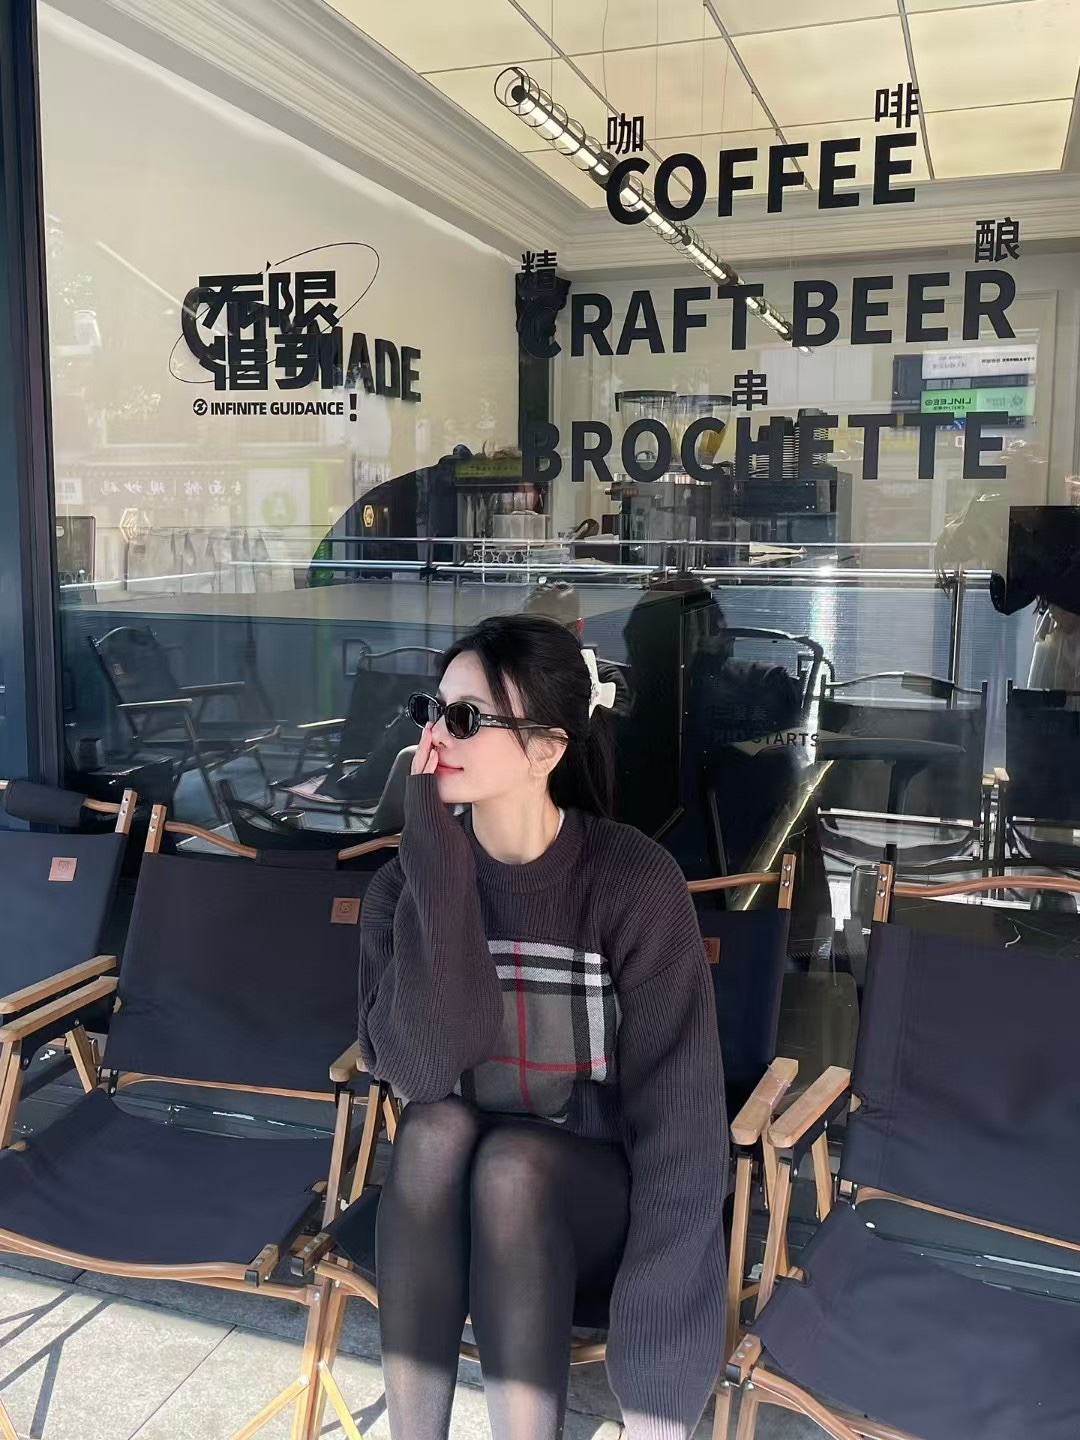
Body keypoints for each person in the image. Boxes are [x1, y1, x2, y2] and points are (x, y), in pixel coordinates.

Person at [347, 613, 727, 1440]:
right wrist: (437, 868)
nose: (435, 738)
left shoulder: (631, 881)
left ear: (548, 749)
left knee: (513, 1167)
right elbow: (422, 1070)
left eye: (465, 718)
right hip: (451, 1197)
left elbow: (683, 1126)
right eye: (430, 711)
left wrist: (659, 1380)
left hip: (594, 1200)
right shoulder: (402, 887)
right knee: (433, 1128)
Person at [523, 581, 631, 714]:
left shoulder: (604, 679)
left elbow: (612, 724)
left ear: (578, 627)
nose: (544, 636)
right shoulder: (514, 674)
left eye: (555, 627)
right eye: (534, 628)